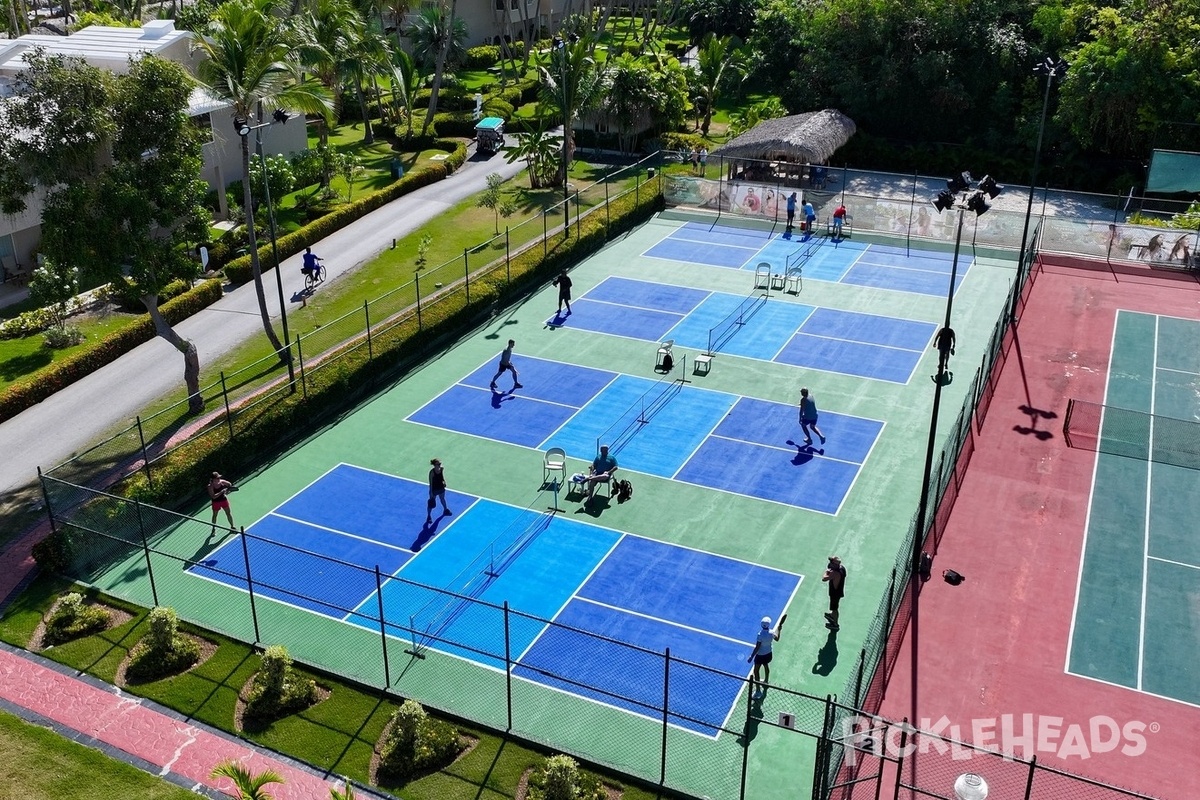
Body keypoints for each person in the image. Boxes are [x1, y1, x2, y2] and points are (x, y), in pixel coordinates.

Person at [746, 614, 785, 699]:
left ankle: (758, 691)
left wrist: (751, 656)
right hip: (768, 654)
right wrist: (779, 629)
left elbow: (757, 647)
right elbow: (777, 638)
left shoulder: (760, 635)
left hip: (760, 656)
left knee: (756, 671)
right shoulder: (771, 633)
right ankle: (766, 681)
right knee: (766, 665)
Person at [822, 556, 846, 630]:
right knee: (834, 608)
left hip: (834, 593)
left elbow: (824, 578)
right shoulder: (842, 568)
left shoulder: (834, 573)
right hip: (838, 591)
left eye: (831, 562)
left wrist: (827, 572)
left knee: (835, 608)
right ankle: (832, 615)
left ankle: (835, 624)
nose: (830, 564)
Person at [426, 458, 451, 524]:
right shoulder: (432, 473)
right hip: (434, 489)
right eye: (438, 464)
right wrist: (431, 492)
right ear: (435, 465)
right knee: (431, 504)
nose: (440, 465)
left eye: (440, 464)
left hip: (441, 487)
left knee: (442, 498)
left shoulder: (441, 469)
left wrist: (444, 482)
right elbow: (430, 483)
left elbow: (442, 477)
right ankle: (429, 516)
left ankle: (445, 510)